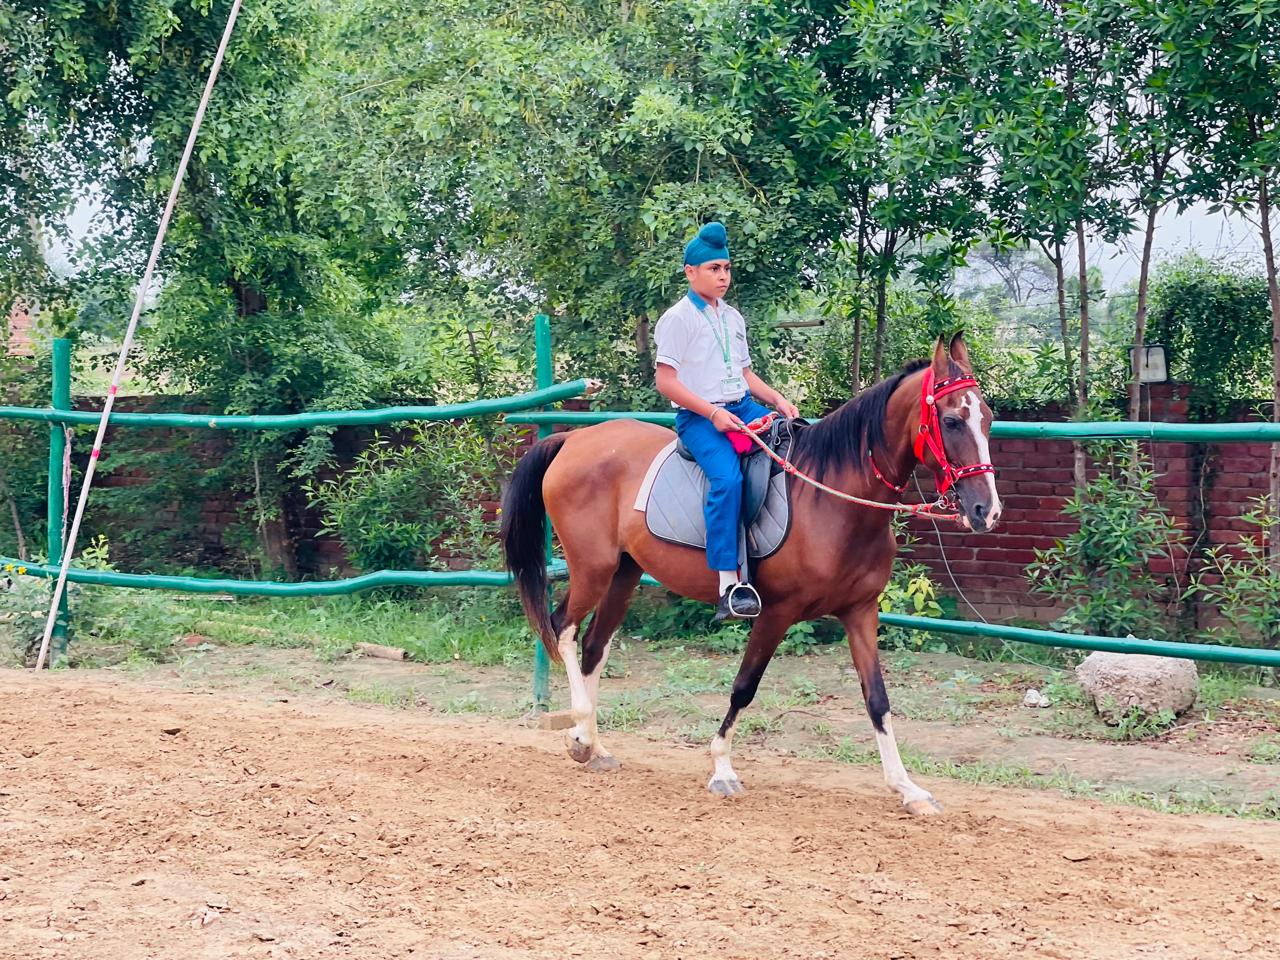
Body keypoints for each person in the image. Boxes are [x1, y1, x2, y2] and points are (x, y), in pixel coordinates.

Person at [653, 221, 800, 621]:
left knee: (802, 442)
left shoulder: (733, 317)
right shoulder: (678, 319)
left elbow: (746, 375)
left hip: (743, 406)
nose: (722, 276)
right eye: (714, 268)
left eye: (726, 268)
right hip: (699, 418)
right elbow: (665, 381)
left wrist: (778, 399)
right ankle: (728, 583)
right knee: (727, 479)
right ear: (691, 272)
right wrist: (713, 412)